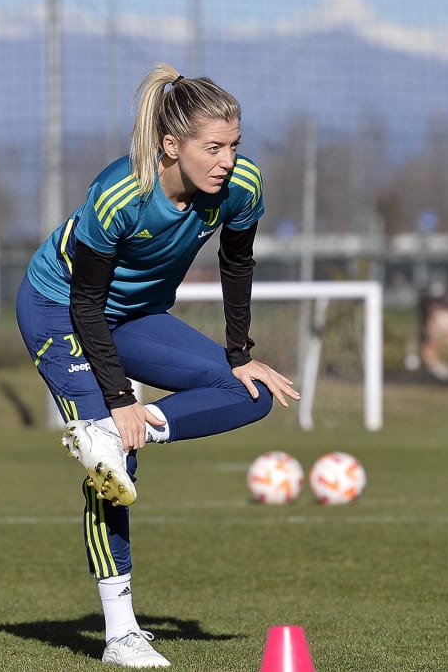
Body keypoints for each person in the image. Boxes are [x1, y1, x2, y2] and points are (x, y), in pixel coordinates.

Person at [15, 63, 300, 668]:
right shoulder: (121, 193)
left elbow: (237, 264)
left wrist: (240, 355)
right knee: (114, 460)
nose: (227, 160)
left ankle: (141, 428)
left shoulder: (242, 187)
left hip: (138, 316)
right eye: (212, 146)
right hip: (59, 312)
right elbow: (85, 302)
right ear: (171, 146)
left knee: (250, 395)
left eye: (234, 145)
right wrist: (119, 401)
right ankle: (121, 634)